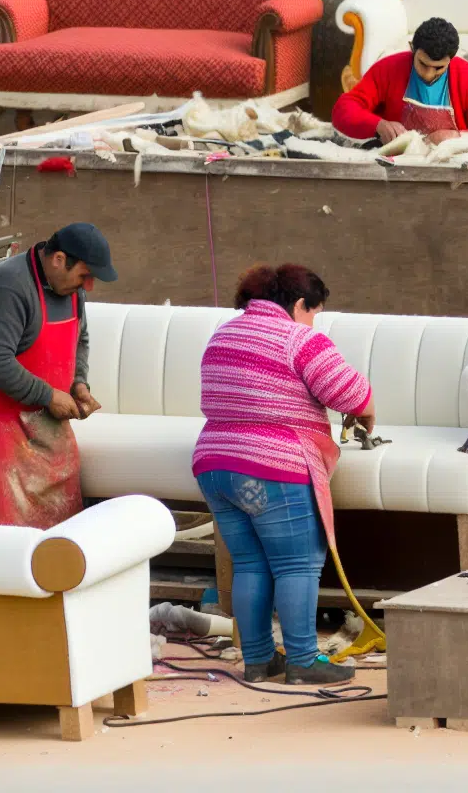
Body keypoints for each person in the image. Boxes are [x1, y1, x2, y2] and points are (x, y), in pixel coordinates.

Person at [193, 264, 374, 686]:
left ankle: (258, 661)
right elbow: (349, 393)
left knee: (250, 564)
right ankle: (303, 662)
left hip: (216, 466)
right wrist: (368, 411)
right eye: (314, 312)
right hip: (273, 468)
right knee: (297, 566)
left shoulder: (223, 334)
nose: (315, 322)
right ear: (298, 305)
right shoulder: (300, 339)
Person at [0, 223, 114, 527]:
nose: (87, 286)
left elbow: (81, 339)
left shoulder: (72, 290)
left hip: (47, 431)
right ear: (59, 259)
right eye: (85, 275)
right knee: (3, 538)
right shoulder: (8, 288)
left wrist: (79, 383)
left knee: (56, 537)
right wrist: (48, 395)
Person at [331, 16, 468, 144]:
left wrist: (456, 136)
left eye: (439, 68)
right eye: (423, 64)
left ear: (452, 59)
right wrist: (378, 124)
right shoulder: (388, 68)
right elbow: (343, 109)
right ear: (412, 49)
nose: (429, 74)